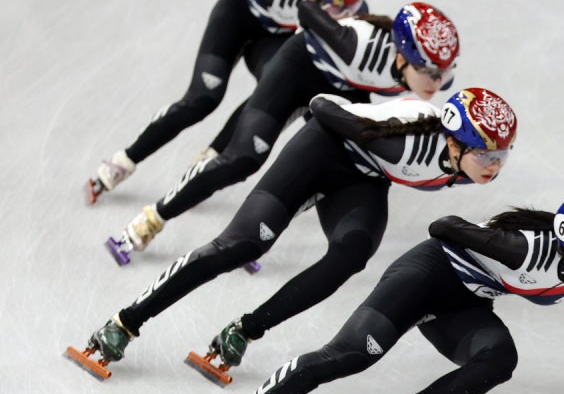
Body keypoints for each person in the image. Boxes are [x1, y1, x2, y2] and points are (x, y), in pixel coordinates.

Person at [74, 86, 516, 371]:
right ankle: (125, 321)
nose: (494, 167)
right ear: (453, 141)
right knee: (242, 245)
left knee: (351, 255)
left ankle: (244, 330)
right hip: (320, 152)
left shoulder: (464, 168)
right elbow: (321, 105)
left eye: (502, 155)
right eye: (486, 155)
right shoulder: (407, 133)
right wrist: (355, 124)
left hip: (362, 180)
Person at [190, 190, 564, 394]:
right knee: (351, 355)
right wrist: (484, 239)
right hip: (424, 277)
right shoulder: (524, 249)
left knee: (500, 359)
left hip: (464, 302)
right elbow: (443, 226)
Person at [106, 0, 461, 263]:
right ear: (401, 57)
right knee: (245, 159)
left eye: (444, 74)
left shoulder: (413, 70)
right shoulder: (359, 46)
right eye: (431, 73)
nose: (437, 84)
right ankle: (152, 218)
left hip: (343, 91)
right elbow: (307, 11)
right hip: (297, 71)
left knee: (323, 166)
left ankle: (253, 220)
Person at [88, 0, 368, 204]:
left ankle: (210, 158)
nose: (343, 12)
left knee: (273, 91)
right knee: (202, 99)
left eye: (348, 5)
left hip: (274, 38)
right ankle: (123, 161)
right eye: (334, 4)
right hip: (238, 19)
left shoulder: (346, 9)